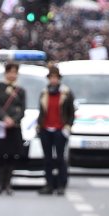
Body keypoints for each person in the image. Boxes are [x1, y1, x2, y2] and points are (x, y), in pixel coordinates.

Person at [37, 66, 75, 196]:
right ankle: (49, 184)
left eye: (55, 77)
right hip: (46, 129)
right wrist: (39, 126)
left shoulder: (66, 93)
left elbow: (71, 113)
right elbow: (42, 111)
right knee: (47, 159)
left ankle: (61, 184)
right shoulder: (44, 92)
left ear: (59, 79)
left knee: (60, 158)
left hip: (60, 129)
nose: (53, 80)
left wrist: (68, 126)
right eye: (51, 77)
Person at [0, 62, 26, 195]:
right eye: (10, 72)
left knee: (12, 155)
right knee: (0, 155)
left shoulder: (20, 90)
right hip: (0, 127)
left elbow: (22, 109)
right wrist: (4, 118)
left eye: (14, 72)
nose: (12, 75)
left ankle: (8, 185)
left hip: (14, 127)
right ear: (5, 73)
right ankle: (0, 184)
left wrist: (13, 120)